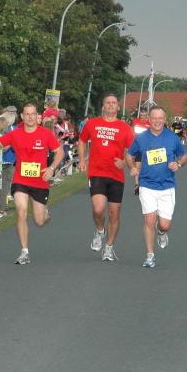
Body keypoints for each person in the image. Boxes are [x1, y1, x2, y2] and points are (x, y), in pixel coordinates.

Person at [0, 102, 63, 264]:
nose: (30, 117)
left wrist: (51, 168)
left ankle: (45, 213)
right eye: (27, 114)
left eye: (33, 114)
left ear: (37, 116)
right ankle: (24, 252)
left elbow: (59, 152)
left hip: (40, 181)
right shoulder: (15, 134)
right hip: (21, 180)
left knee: (39, 221)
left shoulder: (46, 134)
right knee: (21, 211)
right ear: (22, 116)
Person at [125, 105, 187, 268]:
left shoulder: (172, 138)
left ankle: (161, 232)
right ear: (149, 119)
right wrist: (131, 167)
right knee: (149, 219)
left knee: (165, 224)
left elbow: (184, 156)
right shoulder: (141, 138)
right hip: (147, 184)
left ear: (165, 120)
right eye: (154, 118)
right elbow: (129, 155)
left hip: (167, 186)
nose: (157, 121)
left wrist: (178, 164)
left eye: (160, 118)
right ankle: (150, 255)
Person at [78, 95, 135, 262]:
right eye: (107, 103)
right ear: (103, 106)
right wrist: (82, 160)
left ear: (118, 107)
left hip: (116, 175)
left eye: (114, 103)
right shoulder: (92, 124)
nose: (110, 105)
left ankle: (109, 247)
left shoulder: (125, 128)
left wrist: (124, 162)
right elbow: (82, 141)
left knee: (114, 214)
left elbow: (132, 151)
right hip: (97, 172)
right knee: (98, 209)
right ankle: (100, 230)